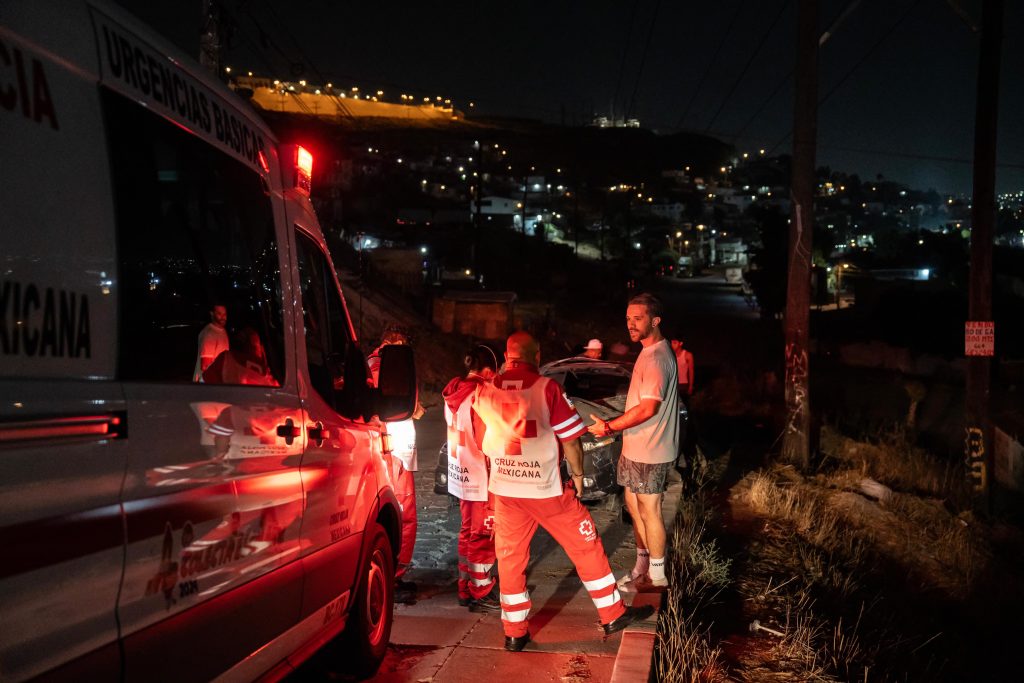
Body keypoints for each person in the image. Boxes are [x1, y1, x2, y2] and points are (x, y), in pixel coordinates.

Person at [472, 331, 652, 652]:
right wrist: (579, 475)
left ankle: (514, 632)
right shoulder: (547, 388)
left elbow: (480, 438)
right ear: (536, 356)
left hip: (505, 489)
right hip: (546, 488)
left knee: (510, 559)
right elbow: (571, 438)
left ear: (506, 355)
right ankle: (612, 613)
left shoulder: (485, 391)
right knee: (585, 544)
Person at [588, 293, 678, 592]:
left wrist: (609, 427)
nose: (631, 324)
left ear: (655, 320)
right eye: (628, 319)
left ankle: (657, 575)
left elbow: (648, 408)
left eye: (637, 318)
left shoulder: (656, 358)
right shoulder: (648, 351)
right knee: (633, 505)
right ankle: (642, 566)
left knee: (649, 509)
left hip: (652, 449)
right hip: (636, 446)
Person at [442, 345, 501, 612]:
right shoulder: (481, 393)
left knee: (467, 531)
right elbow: (486, 438)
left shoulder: (453, 391)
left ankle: (464, 587)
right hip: (480, 474)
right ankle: (482, 590)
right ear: (488, 370)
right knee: (483, 535)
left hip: (460, 473)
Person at [367, 324, 422, 603]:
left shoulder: (375, 363)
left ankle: (392, 572)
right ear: (393, 342)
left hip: (395, 444)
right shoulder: (387, 365)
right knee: (403, 510)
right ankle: (394, 573)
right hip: (395, 446)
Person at [202, 327, 277, 386]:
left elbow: (207, 378)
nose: (259, 348)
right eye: (256, 345)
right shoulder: (262, 367)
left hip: (226, 403)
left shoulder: (225, 357)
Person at [671, 338, 696, 466]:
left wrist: (691, 386)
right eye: (671, 342)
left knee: (684, 408)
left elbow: (691, 370)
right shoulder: (670, 353)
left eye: (675, 342)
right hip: (673, 385)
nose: (672, 344)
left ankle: (686, 428)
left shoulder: (687, 355)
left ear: (681, 343)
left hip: (684, 385)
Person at [193, 303, 229, 381]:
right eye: (219, 314)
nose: (223, 317)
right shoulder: (209, 334)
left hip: (217, 383)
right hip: (207, 383)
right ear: (212, 314)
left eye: (224, 314)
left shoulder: (223, 331)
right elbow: (205, 366)